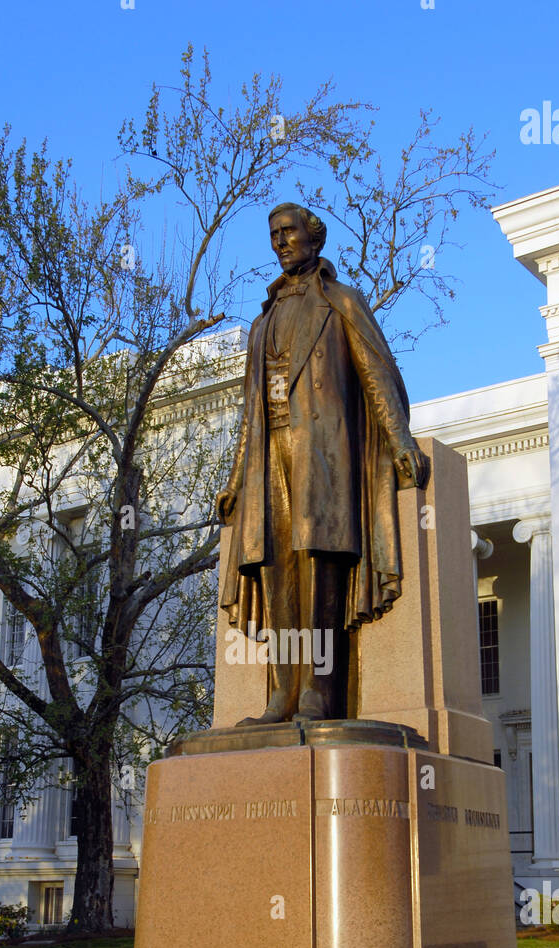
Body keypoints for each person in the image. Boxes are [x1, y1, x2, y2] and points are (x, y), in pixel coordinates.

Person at [216, 202, 429, 723]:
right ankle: (282, 694)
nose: (280, 242)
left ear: (315, 239)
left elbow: (378, 373)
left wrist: (400, 439)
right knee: (275, 573)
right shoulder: (260, 322)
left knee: (318, 570)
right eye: (273, 235)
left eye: (288, 232)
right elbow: (250, 410)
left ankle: (318, 692)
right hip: (271, 456)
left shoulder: (342, 303)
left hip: (323, 457)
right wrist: (238, 475)